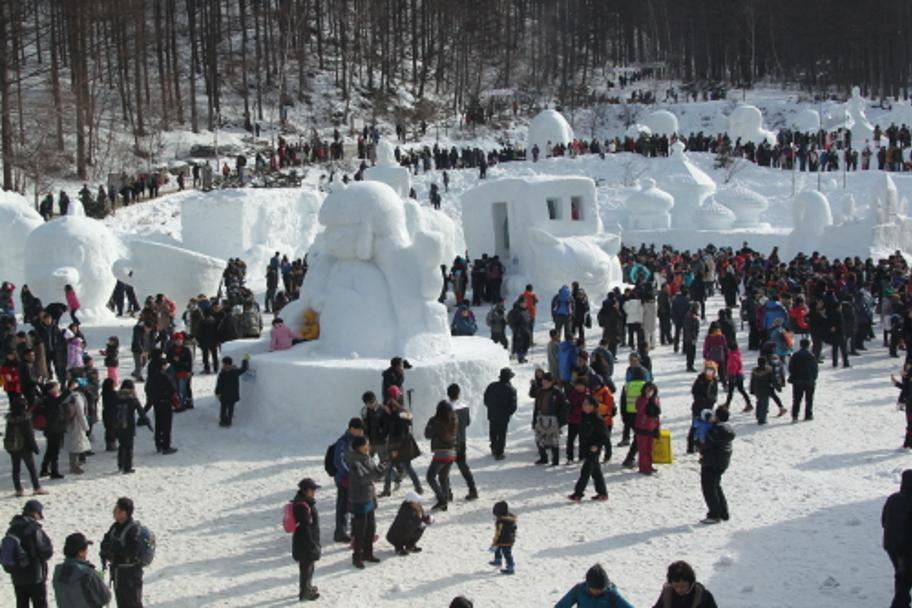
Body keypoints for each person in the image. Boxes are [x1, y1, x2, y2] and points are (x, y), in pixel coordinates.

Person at [345, 436, 385, 568]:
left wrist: (381, 469)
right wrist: (376, 474)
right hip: (359, 499)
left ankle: (368, 553)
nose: (368, 447)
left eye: (368, 444)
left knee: (370, 528)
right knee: (360, 530)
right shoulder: (355, 461)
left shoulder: (368, 457)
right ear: (359, 447)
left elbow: (374, 475)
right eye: (366, 445)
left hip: (369, 497)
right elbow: (363, 479)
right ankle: (357, 557)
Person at [4, 500, 53, 608]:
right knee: (40, 604)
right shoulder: (34, 529)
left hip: (17, 576)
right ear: (35, 513)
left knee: (21, 604)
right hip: (35, 575)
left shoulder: (12, 529)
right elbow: (46, 552)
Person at [99, 497, 144, 608]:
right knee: (122, 603)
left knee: (133, 603)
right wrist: (105, 551)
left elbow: (132, 551)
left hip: (130, 574)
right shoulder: (115, 527)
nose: (113, 511)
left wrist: (113, 551)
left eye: (116, 509)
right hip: (118, 572)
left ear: (123, 513)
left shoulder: (134, 530)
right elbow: (105, 541)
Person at [52, 532, 112, 608]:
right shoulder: (86, 573)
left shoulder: (58, 571)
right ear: (80, 552)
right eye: (86, 549)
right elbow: (105, 598)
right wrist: (99, 580)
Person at [568, 396, 608, 502]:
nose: (584, 406)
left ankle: (578, 493)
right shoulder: (585, 417)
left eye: (586, 404)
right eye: (583, 404)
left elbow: (604, 436)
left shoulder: (597, 419)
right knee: (596, 472)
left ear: (592, 406)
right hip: (586, 448)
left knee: (585, 471)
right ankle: (602, 493)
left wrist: (597, 446)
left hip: (593, 449)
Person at [4, 397, 46, 497]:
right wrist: (35, 448)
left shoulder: (10, 419)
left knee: (16, 469)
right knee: (31, 469)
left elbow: (7, 433)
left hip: (13, 447)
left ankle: (18, 489)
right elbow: (29, 435)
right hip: (25, 447)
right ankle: (37, 487)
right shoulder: (26, 418)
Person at [700, 407, 735, 524]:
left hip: (712, 462)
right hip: (721, 462)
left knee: (709, 488)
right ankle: (723, 512)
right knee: (716, 486)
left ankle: (714, 514)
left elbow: (704, 444)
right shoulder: (727, 428)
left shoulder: (715, 430)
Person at [883, 469, 912, 608]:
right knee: (904, 580)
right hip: (907, 549)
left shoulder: (893, 498)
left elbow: (883, 521)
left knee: (902, 577)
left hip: (891, 547)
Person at [332, 418, 364, 543]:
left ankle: (355, 531)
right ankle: (340, 532)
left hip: (357, 480)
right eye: (359, 430)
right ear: (352, 429)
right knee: (343, 506)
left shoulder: (359, 440)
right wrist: (352, 474)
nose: (361, 432)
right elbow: (339, 461)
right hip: (345, 480)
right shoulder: (343, 442)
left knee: (356, 506)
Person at [290, 478, 321, 602]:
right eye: (313, 489)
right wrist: (312, 545)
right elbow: (305, 529)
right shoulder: (302, 506)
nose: (314, 492)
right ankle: (304, 592)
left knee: (309, 567)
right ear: (307, 490)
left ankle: (307, 587)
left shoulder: (304, 502)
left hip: (305, 542)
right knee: (306, 568)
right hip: (305, 544)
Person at [424, 401, 458, 511]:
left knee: (430, 477)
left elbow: (427, 435)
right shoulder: (454, 419)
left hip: (441, 454)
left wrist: (429, 424)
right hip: (452, 452)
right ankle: (446, 497)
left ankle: (442, 500)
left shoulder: (435, 422)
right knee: (443, 477)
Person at [554, 563, 635, 608]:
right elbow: (561, 606)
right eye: (595, 589)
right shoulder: (579, 590)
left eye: (601, 589)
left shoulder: (612, 594)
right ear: (588, 584)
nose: (598, 591)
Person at [113, 380, 150, 474]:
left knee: (121, 445)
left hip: (119, 425)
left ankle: (120, 465)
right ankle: (127, 467)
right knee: (129, 447)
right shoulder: (132, 399)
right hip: (129, 425)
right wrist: (147, 422)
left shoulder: (116, 397)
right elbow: (141, 412)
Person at [448, 383, 478, 500]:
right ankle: (473, 489)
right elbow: (467, 423)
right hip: (462, 441)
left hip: (449, 443)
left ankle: (447, 493)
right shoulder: (465, 407)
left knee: (445, 469)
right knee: (463, 466)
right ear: (459, 394)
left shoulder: (446, 408)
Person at [532, 372, 568, 466]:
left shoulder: (557, 392)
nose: (544, 383)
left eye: (546, 381)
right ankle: (543, 457)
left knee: (553, 441)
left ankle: (555, 460)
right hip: (540, 418)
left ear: (551, 382)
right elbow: (536, 407)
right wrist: (534, 420)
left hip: (553, 419)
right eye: (543, 381)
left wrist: (560, 421)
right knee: (539, 439)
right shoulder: (540, 391)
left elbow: (564, 407)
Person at [483, 368, 518, 460]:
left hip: (492, 414)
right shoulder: (511, 389)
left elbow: (486, 399)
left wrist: (491, 408)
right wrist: (508, 413)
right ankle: (499, 453)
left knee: (493, 432)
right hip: (503, 416)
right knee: (502, 434)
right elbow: (513, 405)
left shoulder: (492, 386)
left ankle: (494, 448)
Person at [652, 560, 718, 608]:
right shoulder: (667, 594)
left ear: (691, 582)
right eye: (675, 586)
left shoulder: (704, 596)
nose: (679, 590)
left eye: (683, 586)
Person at [385, 491, 432, 556]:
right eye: (417, 501)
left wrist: (427, 520)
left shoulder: (418, 507)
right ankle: (399, 547)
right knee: (408, 529)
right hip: (394, 536)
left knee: (421, 528)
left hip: (409, 530)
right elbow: (409, 524)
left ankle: (410, 545)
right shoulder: (405, 510)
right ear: (411, 502)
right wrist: (420, 520)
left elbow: (421, 519)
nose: (419, 502)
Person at [687, 363, 719, 454]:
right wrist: (702, 399)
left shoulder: (714, 381)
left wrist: (712, 400)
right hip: (698, 407)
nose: (709, 372)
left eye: (712, 370)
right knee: (695, 426)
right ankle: (690, 447)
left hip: (709, 407)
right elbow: (694, 392)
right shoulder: (700, 380)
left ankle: (703, 445)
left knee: (707, 427)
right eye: (708, 370)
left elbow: (714, 393)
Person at [214, 355, 250, 427]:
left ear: (226, 364)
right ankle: (226, 421)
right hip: (228, 394)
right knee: (227, 408)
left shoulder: (227, 373)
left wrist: (217, 392)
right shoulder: (231, 372)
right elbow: (244, 368)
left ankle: (226, 420)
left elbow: (219, 384)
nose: (223, 365)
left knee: (227, 408)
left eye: (223, 363)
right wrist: (245, 360)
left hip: (228, 394)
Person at [788, 338, 818, 422]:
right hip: (809, 380)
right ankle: (808, 415)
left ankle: (795, 415)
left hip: (797, 380)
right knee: (809, 399)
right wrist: (813, 378)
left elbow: (791, 368)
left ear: (800, 345)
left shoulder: (795, 355)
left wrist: (793, 376)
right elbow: (815, 369)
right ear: (808, 345)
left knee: (796, 399)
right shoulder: (811, 356)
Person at [634, 382, 661, 475]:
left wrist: (657, 428)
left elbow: (657, 415)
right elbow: (639, 409)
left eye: (651, 390)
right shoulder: (641, 399)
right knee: (643, 450)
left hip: (651, 428)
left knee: (649, 449)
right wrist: (646, 398)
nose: (649, 392)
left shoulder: (656, 400)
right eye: (648, 390)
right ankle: (643, 467)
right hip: (641, 428)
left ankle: (649, 465)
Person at [489, 501, 516, 575]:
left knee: (506, 554)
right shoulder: (512, 520)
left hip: (503, 540)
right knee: (499, 550)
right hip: (510, 540)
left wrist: (494, 542)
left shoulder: (500, 521)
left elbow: (498, 532)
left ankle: (510, 567)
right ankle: (498, 560)